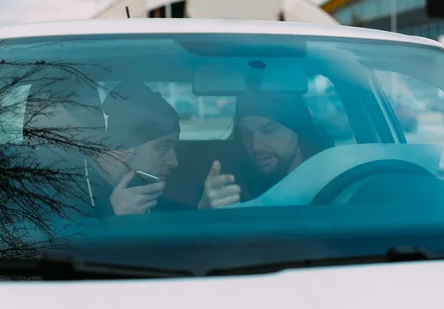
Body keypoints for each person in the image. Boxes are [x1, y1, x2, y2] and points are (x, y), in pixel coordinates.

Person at [198, 91, 333, 209]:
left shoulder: (331, 174)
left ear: (298, 130)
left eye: (269, 130)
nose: (256, 146)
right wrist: (207, 213)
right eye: (246, 132)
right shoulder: (231, 183)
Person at [81, 80, 183, 216]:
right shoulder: (69, 193)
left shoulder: (144, 189)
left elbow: (173, 218)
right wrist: (114, 214)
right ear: (123, 146)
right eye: (163, 147)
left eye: (174, 148)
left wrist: (205, 209)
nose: (173, 162)